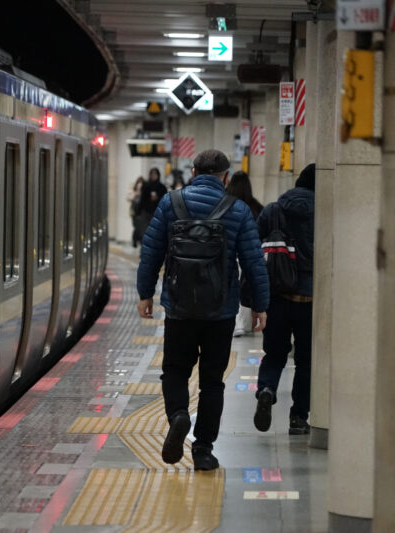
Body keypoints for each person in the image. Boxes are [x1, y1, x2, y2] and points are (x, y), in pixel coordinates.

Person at [136, 150, 270, 470]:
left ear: (194, 172)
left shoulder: (170, 203)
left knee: (175, 371)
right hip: (220, 313)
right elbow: (253, 262)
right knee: (212, 382)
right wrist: (260, 306)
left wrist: (145, 294)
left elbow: (151, 251)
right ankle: (204, 450)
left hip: (179, 309)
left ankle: (179, 416)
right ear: (226, 177)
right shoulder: (238, 210)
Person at [253, 163, 315, 436]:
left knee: (275, 353)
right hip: (310, 298)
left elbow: (254, 247)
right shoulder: (325, 212)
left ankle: (267, 388)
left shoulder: (274, 210)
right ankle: (298, 418)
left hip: (278, 294)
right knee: (305, 361)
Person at [226, 171, 264, 337]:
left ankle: (233, 322)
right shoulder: (256, 207)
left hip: (227, 253)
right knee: (246, 286)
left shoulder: (224, 205)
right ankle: (244, 324)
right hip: (248, 254)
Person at [136, 167, 167, 241]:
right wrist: (138, 212)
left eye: (155, 174)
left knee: (156, 233)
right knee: (145, 232)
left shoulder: (162, 187)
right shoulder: (146, 186)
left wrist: (157, 198)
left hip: (157, 213)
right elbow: (142, 199)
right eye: (152, 174)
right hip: (146, 212)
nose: (153, 175)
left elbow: (164, 201)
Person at [128, 176, 145, 247]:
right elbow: (129, 198)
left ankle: (140, 240)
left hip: (142, 211)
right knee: (136, 226)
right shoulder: (134, 191)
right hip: (135, 211)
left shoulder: (145, 192)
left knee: (141, 226)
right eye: (139, 182)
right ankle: (135, 240)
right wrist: (136, 193)